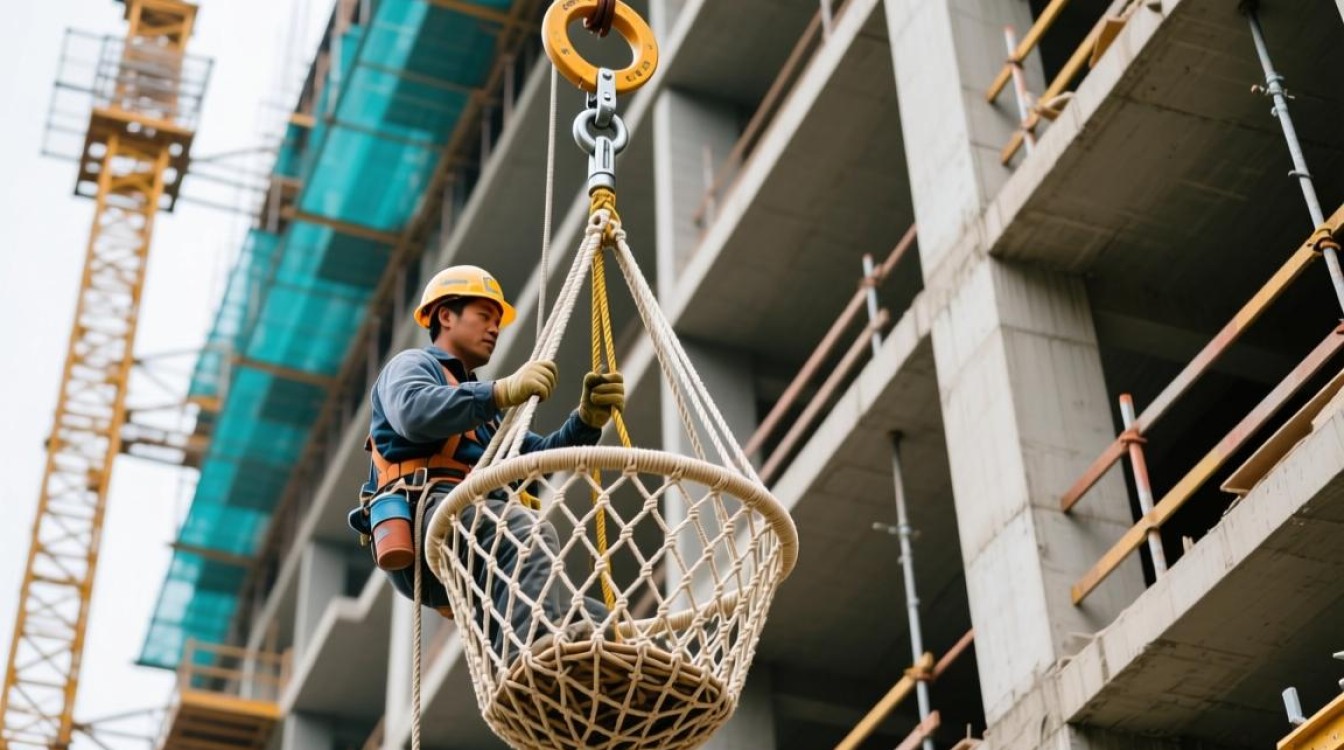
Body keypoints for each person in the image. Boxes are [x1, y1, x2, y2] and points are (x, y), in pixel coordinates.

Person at [357, 264, 623, 659]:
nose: (494, 328)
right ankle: (528, 658)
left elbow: (533, 460)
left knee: (585, 615)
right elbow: (414, 413)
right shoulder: (413, 367)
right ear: (446, 316)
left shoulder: (484, 410)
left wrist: (585, 422)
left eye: (498, 320)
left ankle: (605, 664)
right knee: (526, 532)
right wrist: (498, 393)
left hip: (467, 534)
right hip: (428, 515)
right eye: (484, 316)